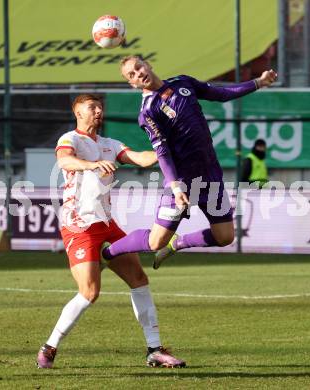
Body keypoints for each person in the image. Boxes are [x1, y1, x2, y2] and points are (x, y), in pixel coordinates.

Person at [37, 94, 185, 369]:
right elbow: (65, 162)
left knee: (139, 279)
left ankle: (154, 349)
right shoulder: (70, 138)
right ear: (78, 113)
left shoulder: (109, 145)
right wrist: (91, 164)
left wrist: (167, 151)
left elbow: (139, 158)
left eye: (99, 107)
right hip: (79, 225)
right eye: (91, 107)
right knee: (90, 292)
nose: (98, 111)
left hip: (106, 224)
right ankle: (50, 346)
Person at [102, 56, 277, 268]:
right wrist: (175, 187)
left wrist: (258, 82)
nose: (138, 73)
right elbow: (163, 151)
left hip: (210, 175)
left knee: (225, 237)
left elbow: (220, 94)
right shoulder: (148, 111)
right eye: (132, 74)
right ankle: (108, 253)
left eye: (139, 67)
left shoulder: (182, 82)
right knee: (156, 241)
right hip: (182, 181)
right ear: (133, 84)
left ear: (148, 65)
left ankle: (178, 244)